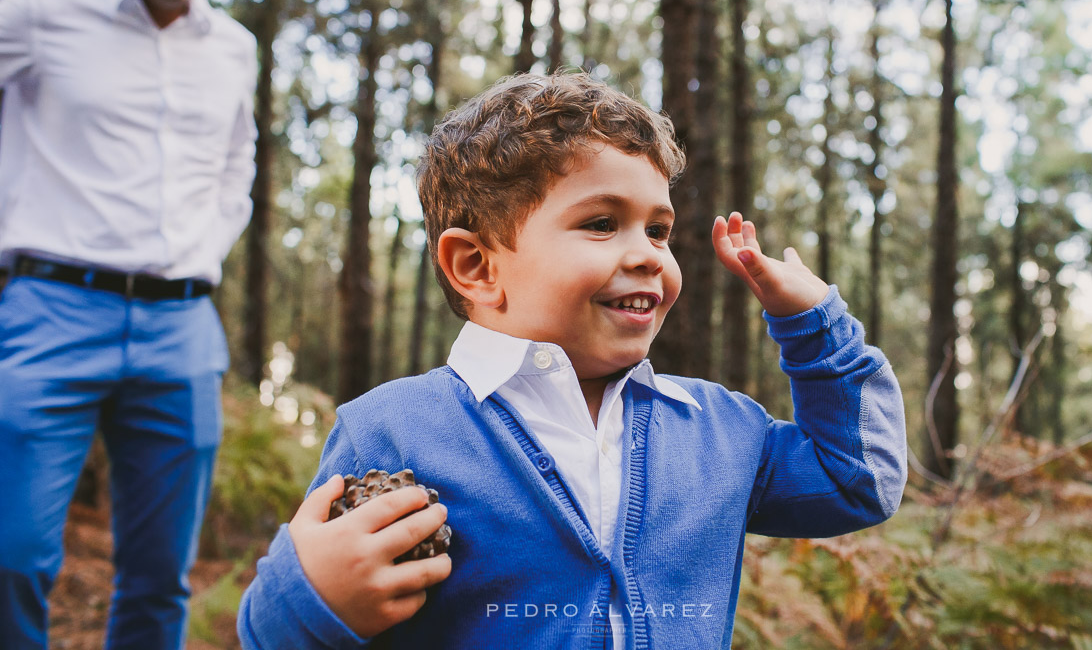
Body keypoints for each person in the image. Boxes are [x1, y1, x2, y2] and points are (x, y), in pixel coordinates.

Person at [238, 72, 905, 649]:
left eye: (659, 229)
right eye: (600, 223)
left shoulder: (719, 429)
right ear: (475, 266)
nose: (648, 253)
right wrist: (309, 601)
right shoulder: (390, 431)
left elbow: (857, 480)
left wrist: (816, 328)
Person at [0, 0, 257, 650]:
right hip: (50, 310)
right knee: (14, 554)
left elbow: (234, 170)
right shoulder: (40, 13)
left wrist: (200, 254)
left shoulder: (234, 49)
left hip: (181, 327)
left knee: (158, 576)